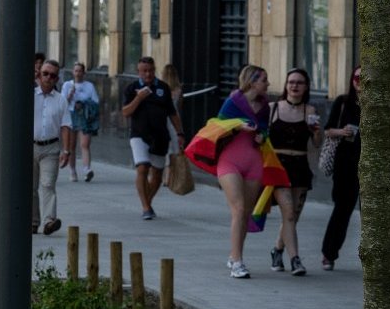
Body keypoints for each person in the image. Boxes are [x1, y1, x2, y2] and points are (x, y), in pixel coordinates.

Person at [186, 65, 288, 279]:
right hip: (229, 162)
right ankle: (237, 262)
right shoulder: (233, 101)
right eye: (264, 79)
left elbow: (263, 131)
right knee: (239, 209)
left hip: (254, 162)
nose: (268, 84)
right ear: (251, 81)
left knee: (246, 213)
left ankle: (235, 256)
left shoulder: (264, 107)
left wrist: (261, 136)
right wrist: (238, 126)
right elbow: (216, 127)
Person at [267, 68, 322, 276]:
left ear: (306, 87)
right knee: (288, 213)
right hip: (278, 166)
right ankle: (295, 260)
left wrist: (317, 132)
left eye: (299, 82)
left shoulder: (310, 111)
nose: (294, 86)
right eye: (291, 82)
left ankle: (277, 250)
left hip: (299, 166)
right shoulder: (273, 108)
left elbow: (317, 143)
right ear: (285, 85)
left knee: (293, 216)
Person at [121, 57, 183, 221]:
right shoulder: (132, 88)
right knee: (142, 167)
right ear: (139, 72)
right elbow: (126, 112)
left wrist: (180, 133)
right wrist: (139, 98)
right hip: (139, 135)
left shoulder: (163, 87)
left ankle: (147, 202)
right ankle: (146, 207)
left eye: (150, 70)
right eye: (144, 71)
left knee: (157, 175)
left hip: (160, 136)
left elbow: (173, 113)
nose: (148, 74)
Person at [320, 67, 363, 270]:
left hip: (370, 165)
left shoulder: (379, 104)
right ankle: (329, 254)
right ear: (352, 80)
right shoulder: (343, 102)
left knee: (372, 213)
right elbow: (328, 129)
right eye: (358, 78)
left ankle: (373, 257)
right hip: (345, 164)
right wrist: (342, 131)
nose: (361, 82)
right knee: (342, 209)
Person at [30, 60, 73, 236]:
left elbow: (66, 126)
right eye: (45, 73)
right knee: (30, 187)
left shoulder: (61, 100)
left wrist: (66, 151)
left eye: (53, 75)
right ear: (39, 74)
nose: (48, 78)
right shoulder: (30, 95)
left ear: (57, 79)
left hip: (51, 148)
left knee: (48, 184)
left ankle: (49, 221)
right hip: (30, 146)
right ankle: (33, 222)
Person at [66, 63, 100, 181]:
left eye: (80, 71)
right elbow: (62, 102)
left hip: (84, 117)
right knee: (71, 146)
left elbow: (96, 101)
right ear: (73, 72)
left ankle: (87, 169)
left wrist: (84, 103)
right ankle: (72, 171)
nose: (78, 73)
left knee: (85, 144)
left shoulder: (89, 86)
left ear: (84, 73)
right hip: (70, 115)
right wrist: (70, 95)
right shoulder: (67, 85)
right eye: (76, 71)